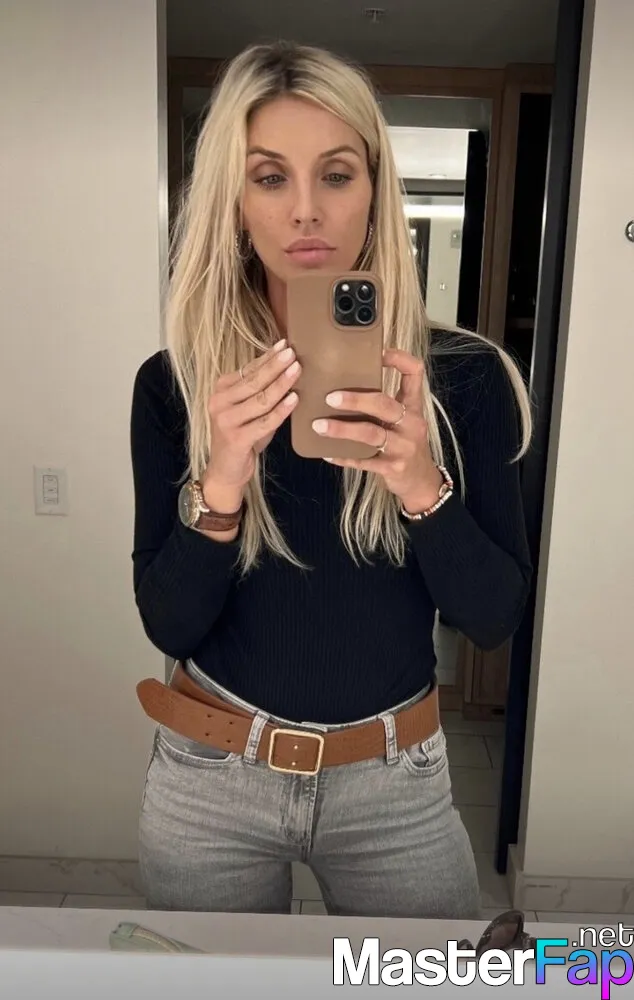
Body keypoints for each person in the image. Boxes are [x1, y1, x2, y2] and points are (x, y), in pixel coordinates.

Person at [130, 41, 533, 918]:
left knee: (422, 979)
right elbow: (168, 621)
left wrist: (421, 484)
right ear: (235, 202)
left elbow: (493, 618)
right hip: (212, 778)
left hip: (395, 783)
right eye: (270, 177)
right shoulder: (177, 387)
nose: (306, 209)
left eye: (338, 174)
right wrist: (222, 482)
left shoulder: (468, 381)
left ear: (375, 191)